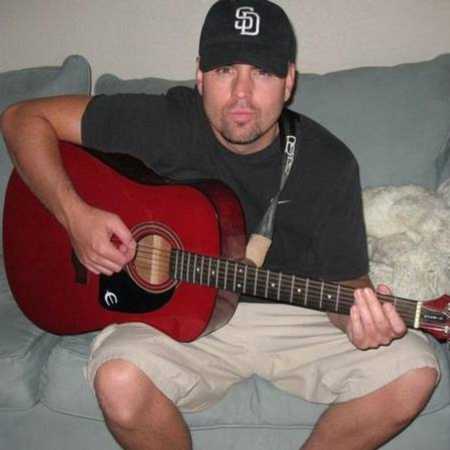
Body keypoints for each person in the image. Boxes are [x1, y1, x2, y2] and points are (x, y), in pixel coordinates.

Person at [0, 1, 440, 449]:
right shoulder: (164, 122)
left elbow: (349, 284)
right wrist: (75, 215)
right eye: (226, 70)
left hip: (295, 317)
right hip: (176, 321)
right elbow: (21, 119)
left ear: (289, 80)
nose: (242, 94)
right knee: (117, 381)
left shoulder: (330, 164)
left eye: (263, 73)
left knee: (415, 370)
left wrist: (361, 322)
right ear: (200, 75)